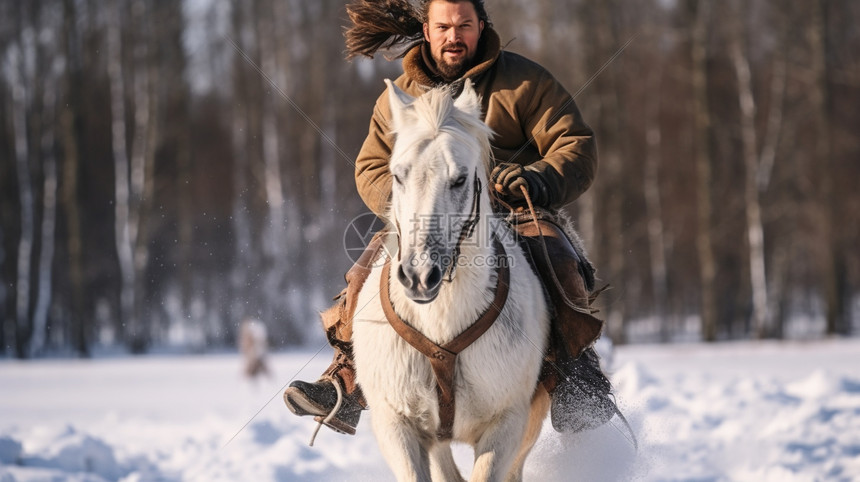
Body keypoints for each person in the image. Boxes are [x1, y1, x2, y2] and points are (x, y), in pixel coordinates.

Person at [284, 0, 617, 436]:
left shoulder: (524, 83)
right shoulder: (397, 99)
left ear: (482, 26)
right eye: (443, 26)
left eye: (464, 25)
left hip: (515, 211)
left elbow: (575, 144)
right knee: (365, 268)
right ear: (427, 29)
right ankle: (345, 379)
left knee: (554, 253)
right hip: (430, 217)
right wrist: (411, 202)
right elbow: (369, 166)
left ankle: (576, 374)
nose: (453, 36)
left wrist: (535, 180)